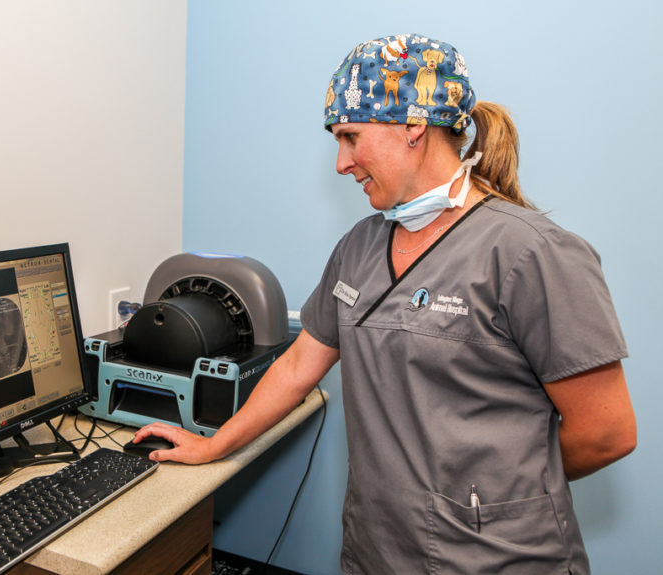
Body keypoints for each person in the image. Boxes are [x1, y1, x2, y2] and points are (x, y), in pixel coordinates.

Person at [134, 34, 637, 574]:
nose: (341, 163)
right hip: (379, 548)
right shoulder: (360, 246)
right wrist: (215, 446)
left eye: (350, 137)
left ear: (413, 126)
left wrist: (497, 500)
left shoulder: (531, 253)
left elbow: (605, 434)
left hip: (500, 558)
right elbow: (301, 365)